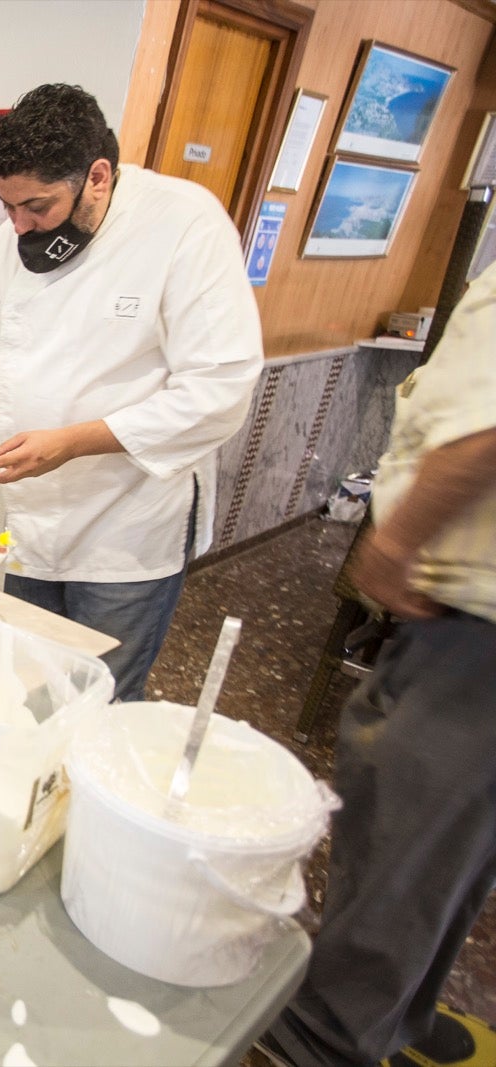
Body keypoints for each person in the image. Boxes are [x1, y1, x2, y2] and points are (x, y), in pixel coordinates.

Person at [0, 83, 262, 701]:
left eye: (36, 206)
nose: (17, 225)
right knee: (30, 692)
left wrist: (74, 443)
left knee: (94, 700)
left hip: (127, 522)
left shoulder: (184, 224)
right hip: (32, 521)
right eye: (7, 206)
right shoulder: (12, 241)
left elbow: (220, 387)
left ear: (99, 177)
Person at [259, 263, 496, 1067]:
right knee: (459, 844)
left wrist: (392, 543)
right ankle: (406, 1011)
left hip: (477, 628)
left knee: (408, 830)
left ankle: (319, 1042)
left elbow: (483, 427)